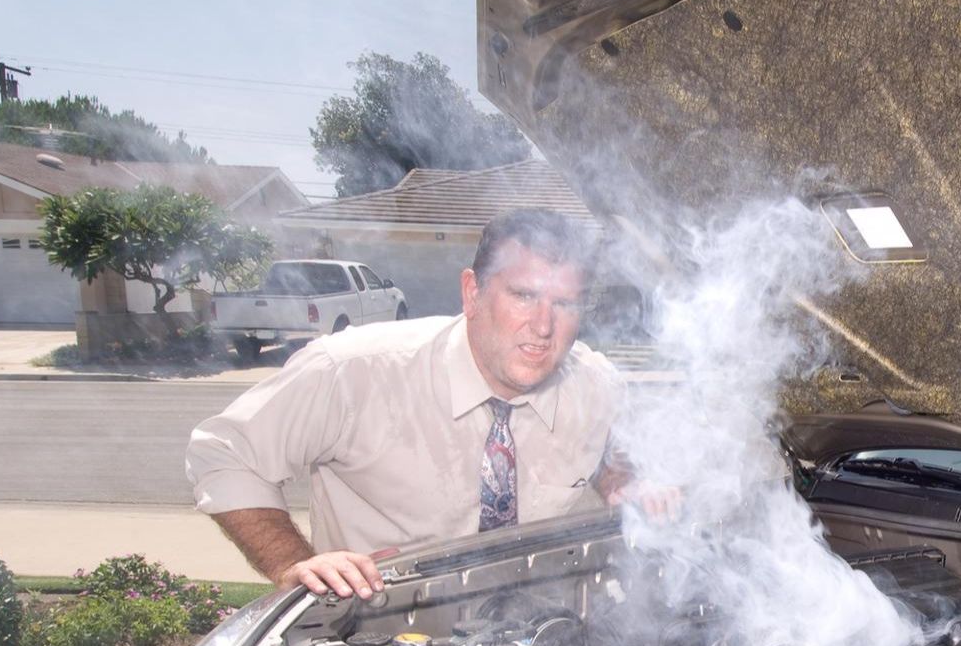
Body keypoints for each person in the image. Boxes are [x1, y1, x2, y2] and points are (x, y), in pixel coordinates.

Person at [188, 209, 665, 599]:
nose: (544, 326)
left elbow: (608, 448)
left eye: (565, 305)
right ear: (472, 293)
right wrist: (294, 563)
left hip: (541, 642)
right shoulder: (353, 371)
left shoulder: (596, 384)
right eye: (523, 296)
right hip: (379, 645)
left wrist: (624, 484)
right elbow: (224, 453)